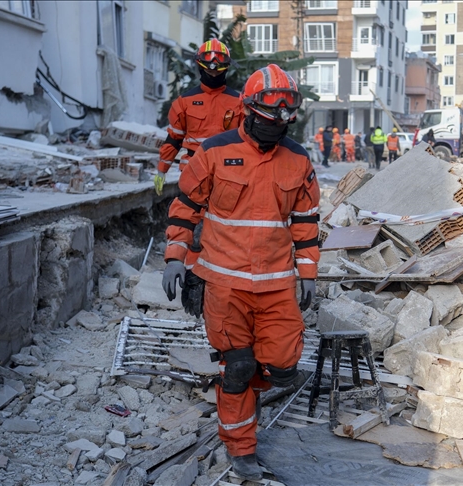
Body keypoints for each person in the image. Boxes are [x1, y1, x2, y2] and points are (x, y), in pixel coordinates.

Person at [161, 64, 318, 482]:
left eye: (288, 109)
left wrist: (309, 273)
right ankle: (241, 447)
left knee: (283, 365)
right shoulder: (215, 151)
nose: (280, 117)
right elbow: (185, 207)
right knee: (237, 368)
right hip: (224, 283)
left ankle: (257, 386)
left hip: (276, 284)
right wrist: (176, 256)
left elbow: (306, 222)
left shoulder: (298, 159)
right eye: (272, 107)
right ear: (248, 107)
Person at [155, 39, 243, 196]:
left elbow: (248, 142)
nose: (214, 74)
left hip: (229, 172)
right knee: (186, 210)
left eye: (218, 71)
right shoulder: (184, 102)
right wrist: (162, 170)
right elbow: (174, 139)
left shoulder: (239, 102)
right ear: (201, 67)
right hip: (193, 171)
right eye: (210, 71)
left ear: (226, 69)